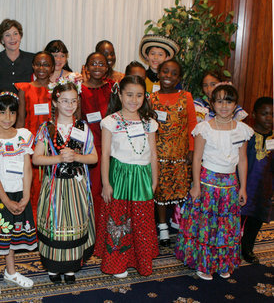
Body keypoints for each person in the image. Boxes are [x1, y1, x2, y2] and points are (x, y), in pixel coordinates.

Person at [175, 84, 253, 280]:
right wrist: (195, 185)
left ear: (235, 105)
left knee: (225, 226)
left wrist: (243, 187)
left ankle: (222, 262)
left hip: (229, 186)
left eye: (228, 101)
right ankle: (203, 263)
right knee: (205, 225)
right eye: (219, 101)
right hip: (207, 184)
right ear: (212, 104)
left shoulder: (242, 130)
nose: (224, 106)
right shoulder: (204, 128)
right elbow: (197, 158)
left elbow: (242, 160)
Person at [32, 77, 97, 284]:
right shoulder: (46, 128)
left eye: (74, 101)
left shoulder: (82, 128)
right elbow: (36, 158)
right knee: (55, 225)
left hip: (76, 187)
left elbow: (93, 157)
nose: (70, 106)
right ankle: (53, 267)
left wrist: (77, 157)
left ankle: (70, 267)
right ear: (55, 102)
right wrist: (58, 158)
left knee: (74, 223)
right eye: (65, 101)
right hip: (54, 186)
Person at [96, 75, 159, 278]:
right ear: (120, 95)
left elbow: (154, 153)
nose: (134, 99)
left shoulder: (149, 123)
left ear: (145, 97)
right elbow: (104, 154)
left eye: (139, 95)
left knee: (141, 220)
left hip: (142, 177)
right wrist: (106, 183)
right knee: (119, 220)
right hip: (120, 176)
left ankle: (139, 260)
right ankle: (117, 262)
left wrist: (155, 179)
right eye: (129, 94)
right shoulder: (111, 122)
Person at [0, 92, 37, 297]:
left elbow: (27, 168)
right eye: (2, 112)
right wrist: (6, 200)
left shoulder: (23, 135)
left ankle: (11, 272)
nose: (7, 117)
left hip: (19, 193)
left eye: (12, 112)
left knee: (10, 235)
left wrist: (26, 196)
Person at [149, 60, 197, 246]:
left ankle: (175, 221)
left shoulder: (186, 97)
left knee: (178, 190)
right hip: (158, 154)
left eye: (173, 73)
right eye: (165, 71)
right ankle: (162, 227)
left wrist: (192, 150)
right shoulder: (151, 98)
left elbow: (192, 124)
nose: (168, 76)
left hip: (180, 154)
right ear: (158, 73)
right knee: (160, 191)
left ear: (179, 77)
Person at [15, 51, 55, 220]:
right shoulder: (25, 88)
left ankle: (49, 223)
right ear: (33, 66)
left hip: (52, 145)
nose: (41, 68)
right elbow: (20, 119)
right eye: (38, 64)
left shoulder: (57, 89)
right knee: (31, 187)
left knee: (50, 186)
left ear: (52, 68)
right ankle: (32, 227)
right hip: (30, 144)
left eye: (46, 64)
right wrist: (17, 145)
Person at [80, 52, 115, 232]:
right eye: (93, 63)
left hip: (112, 146)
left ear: (107, 67)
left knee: (109, 188)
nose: (97, 67)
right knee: (92, 190)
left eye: (101, 64)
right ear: (85, 67)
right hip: (90, 147)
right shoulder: (80, 89)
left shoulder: (112, 88)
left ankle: (108, 228)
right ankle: (92, 228)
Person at [240, 97, 273, 264]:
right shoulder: (247, 135)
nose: (269, 118)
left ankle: (247, 248)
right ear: (254, 114)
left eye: (272, 114)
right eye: (264, 114)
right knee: (236, 219)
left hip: (264, 189)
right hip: (245, 185)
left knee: (256, 220)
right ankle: (231, 248)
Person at [0, 19, 34, 93]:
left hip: (26, 103)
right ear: (2, 40)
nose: (12, 38)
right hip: (0, 103)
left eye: (15, 34)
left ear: (20, 36)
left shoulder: (32, 59)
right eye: (7, 35)